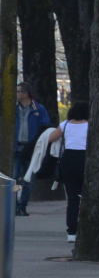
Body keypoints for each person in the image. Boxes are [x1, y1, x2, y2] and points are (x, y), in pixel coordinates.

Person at [46, 101, 89, 243]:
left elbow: (51, 138)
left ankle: (71, 232)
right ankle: (87, 228)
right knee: (88, 196)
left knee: (72, 199)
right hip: (85, 160)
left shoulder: (66, 125)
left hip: (68, 160)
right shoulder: (90, 125)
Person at [14, 82, 52, 216]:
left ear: (26, 93)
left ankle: (22, 205)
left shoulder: (38, 109)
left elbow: (45, 125)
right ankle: (14, 205)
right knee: (14, 178)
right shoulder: (14, 108)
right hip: (16, 147)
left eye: (19, 91)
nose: (17, 94)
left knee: (28, 178)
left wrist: (37, 142)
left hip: (32, 149)